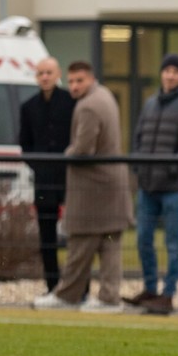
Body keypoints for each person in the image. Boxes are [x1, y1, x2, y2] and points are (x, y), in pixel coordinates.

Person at [33, 61, 133, 313]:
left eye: (79, 80)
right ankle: (109, 298)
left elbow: (83, 149)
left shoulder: (88, 106)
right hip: (112, 187)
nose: (74, 86)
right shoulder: (105, 95)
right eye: (71, 81)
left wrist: (67, 152)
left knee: (80, 243)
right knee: (110, 245)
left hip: (93, 190)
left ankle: (67, 296)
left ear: (90, 79)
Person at [123, 54, 178, 315]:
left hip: (175, 189)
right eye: (166, 70)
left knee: (173, 243)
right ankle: (149, 289)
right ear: (161, 73)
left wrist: (170, 168)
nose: (170, 75)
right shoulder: (150, 104)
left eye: (175, 71)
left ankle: (167, 295)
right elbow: (138, 138)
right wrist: (138, 167)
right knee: (143, 239)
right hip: (147, 188)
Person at [18, 57, 76, 292]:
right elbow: (25, 144)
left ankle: (77, 287)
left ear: (57, 73)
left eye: (49, 72)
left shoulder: (71, 102)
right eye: (40, 73)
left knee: (75, 234)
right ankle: (52, 286)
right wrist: (40, 167)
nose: (45, 77)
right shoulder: (28, 107)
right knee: (47, 236)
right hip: (44, 182)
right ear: (36, 76)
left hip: (71, 180)